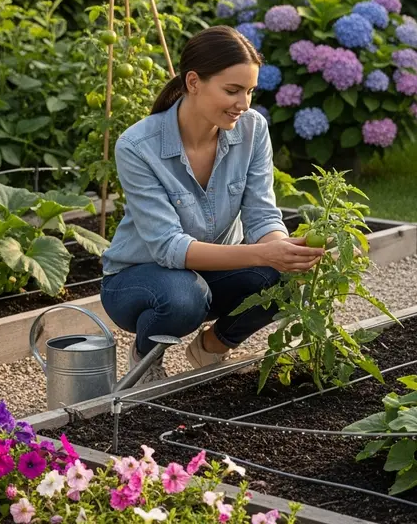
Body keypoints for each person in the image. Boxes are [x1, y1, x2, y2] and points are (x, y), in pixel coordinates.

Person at [99, 25, 325, 386]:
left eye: (250, 91)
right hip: (137, 280)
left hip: (212, 272)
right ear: (193, 82)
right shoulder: (137, 145)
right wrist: (263, 256)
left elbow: (262, 214)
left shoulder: (252, 129)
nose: (244, 104)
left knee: (283, 280)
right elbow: (168, 247)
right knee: (184, 296)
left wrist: (282, 251)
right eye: (232, 90)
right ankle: (146, 358)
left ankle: (211, 347)